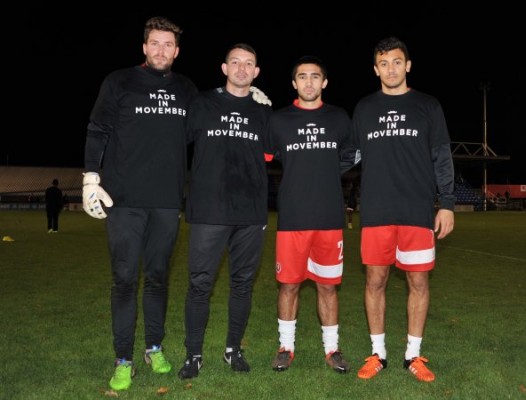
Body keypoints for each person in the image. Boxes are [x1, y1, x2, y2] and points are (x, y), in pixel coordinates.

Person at [82, 16, 198, 391]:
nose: (161, 50)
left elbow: (207, 128)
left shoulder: (186, 89)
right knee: (125, 279)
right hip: (124, 200)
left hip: (166, 201)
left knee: (158, 277)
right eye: (155, 43)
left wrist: (244, 102)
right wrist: (90, 176)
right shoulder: (119, 81)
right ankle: (123, 359)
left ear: (177, 51)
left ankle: (153, 348)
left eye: (168, 44)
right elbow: (98, 128)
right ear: (144, 47)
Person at [352, 36, 455, 382]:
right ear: (375, 69)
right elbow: (348, 155)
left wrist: (447, 203)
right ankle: (378, 353)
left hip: (417, 210)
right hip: (376, 211)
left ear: (408, 65)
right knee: (375, 280)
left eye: (397, 62)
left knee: (418, 280)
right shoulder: (364, 108)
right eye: (383, 63)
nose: (391, 69)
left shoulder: (428, 105)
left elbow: (441, 156)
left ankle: (413, 354)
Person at [177, 43, 272, 380]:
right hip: (208, 210)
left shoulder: (264, 112)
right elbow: (173, 142)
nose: (241, 68)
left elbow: (277, 153)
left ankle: (233, 350)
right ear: (224, 67)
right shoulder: (202, 103)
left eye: (248, 64)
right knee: (199, 284)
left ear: (256, 72)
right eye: (235, 62)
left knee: (242, 284)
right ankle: (193, 354)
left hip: (250, 213)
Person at [265, 55, 357, 374]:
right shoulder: (278, 120)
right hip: (292, 218)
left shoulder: (339, 118)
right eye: (302, 76)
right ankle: (285, 347)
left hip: (329, 218)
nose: (308, 82)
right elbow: (262, 156)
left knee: (327, 286)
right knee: (289, 285)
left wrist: (326, 171)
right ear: (294, 83)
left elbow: (351, 155)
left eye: (315, 76)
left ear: (324, 82)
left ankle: (332, 349)